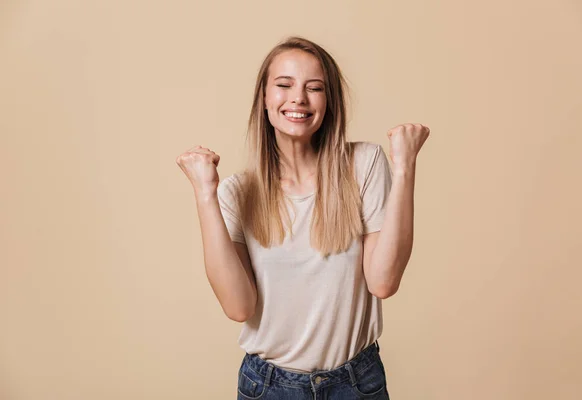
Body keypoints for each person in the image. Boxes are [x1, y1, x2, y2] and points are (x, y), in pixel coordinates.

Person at [176, 36, 429, 399]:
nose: (298, 98)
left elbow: (384, 282)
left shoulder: (364, 164)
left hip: (357, 383)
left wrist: (405, 169)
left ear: (329, 102)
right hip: (269, 387)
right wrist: (205, 194)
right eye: (284, 85)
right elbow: (238, 306)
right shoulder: (235, 192)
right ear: (264, 98)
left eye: (315, 88)